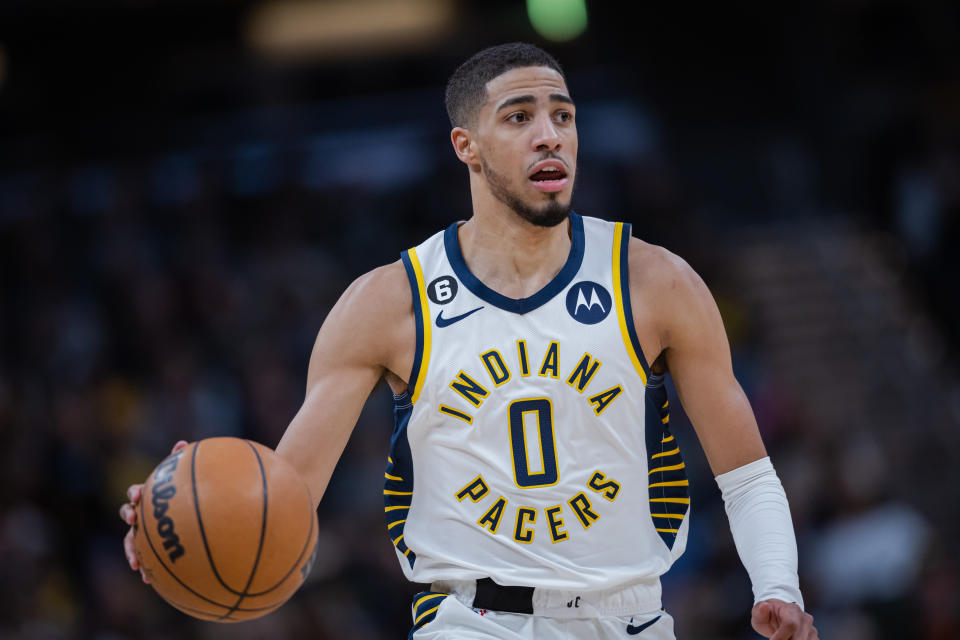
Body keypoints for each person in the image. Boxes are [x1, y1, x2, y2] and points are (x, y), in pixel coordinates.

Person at [120, 43, 818, 639]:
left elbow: (747, 475)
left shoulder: (655, 281)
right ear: (467, 147)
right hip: (470, 622)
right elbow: (287, 496)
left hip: (629, 619)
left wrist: (778, 585)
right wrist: (184, 507)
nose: (550, 134)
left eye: (563, 116)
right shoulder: (388, 303)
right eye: (519, 117)